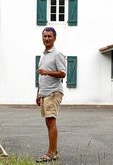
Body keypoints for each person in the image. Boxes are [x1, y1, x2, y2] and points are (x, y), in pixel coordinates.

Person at [35, 27, 66, 163]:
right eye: (45, 36)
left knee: (50, 121)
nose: (47, 38)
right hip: (45, 93)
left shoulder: (57, 54)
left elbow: (63, 73)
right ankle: (54, 151)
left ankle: (51, 153)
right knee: (48, 122)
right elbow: (41, 77)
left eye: (49, 36)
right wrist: (38, 94)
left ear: (54, 38)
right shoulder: (43, 56)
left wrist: (47, 72)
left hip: (54, 92)